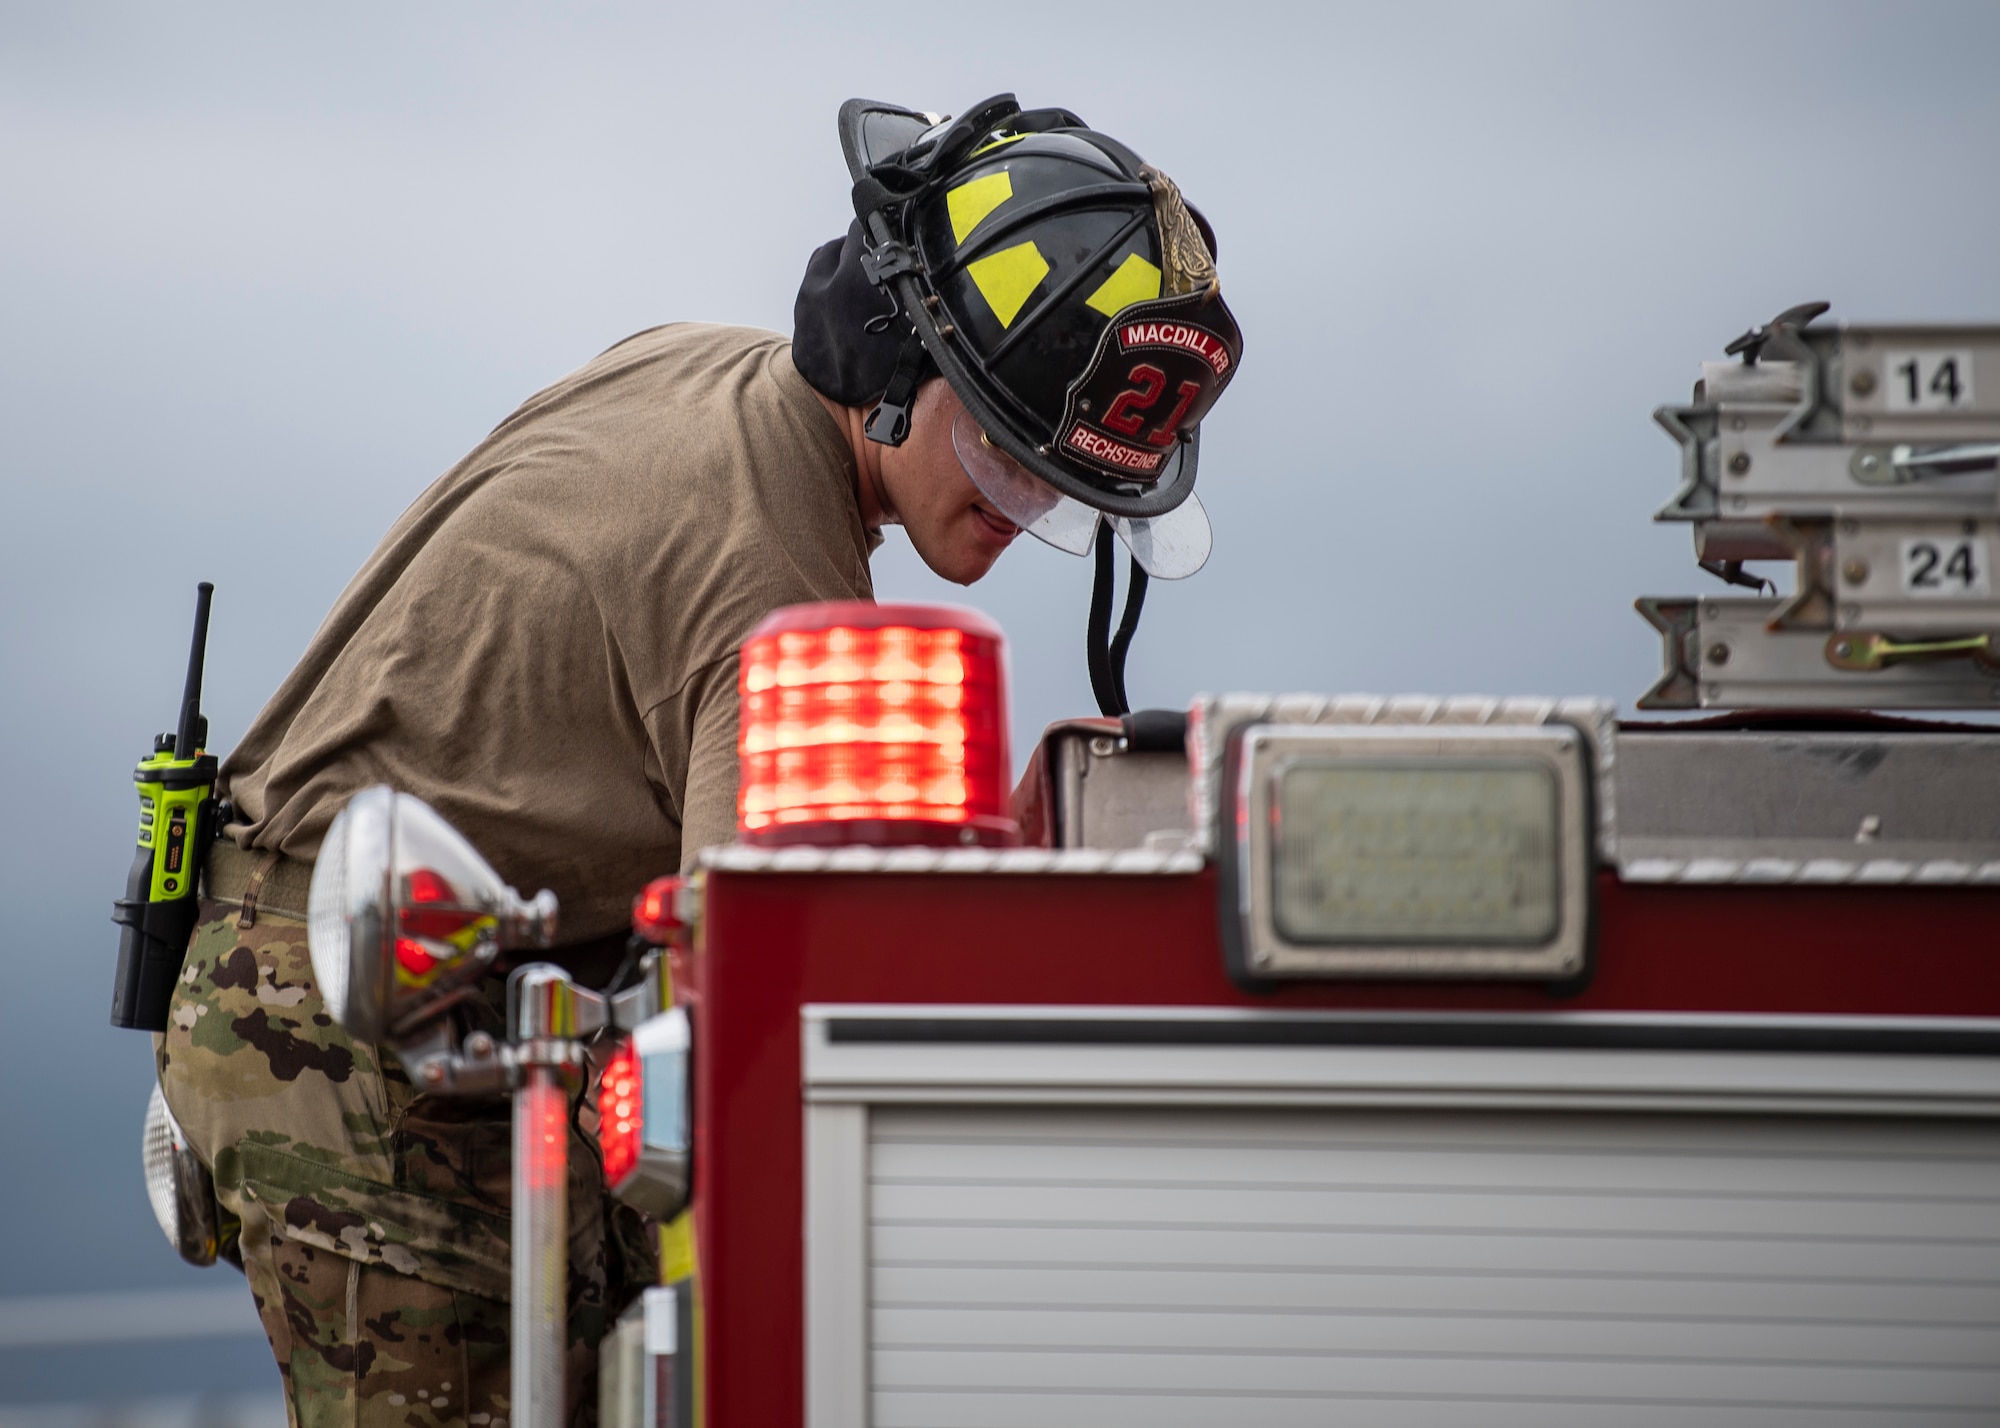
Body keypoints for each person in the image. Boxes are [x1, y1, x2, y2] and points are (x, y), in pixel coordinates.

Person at [154, 93, 1242, 1427]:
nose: (1030, 514)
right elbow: (760, 1013)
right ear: (901, 363)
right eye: (1013, 464)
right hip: (353, 1018)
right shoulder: (775, 599)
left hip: (398, 975)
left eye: (1066, 491)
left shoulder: (707, 370)